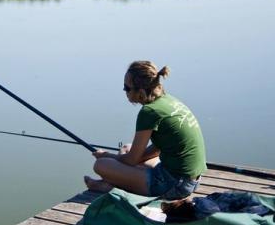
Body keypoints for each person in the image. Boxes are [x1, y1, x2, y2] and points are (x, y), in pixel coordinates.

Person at [84, 60, 206, 201]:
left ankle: (111, 187)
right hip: (191, 180)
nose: (124, 91)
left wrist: (106, 155)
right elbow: (158, 148)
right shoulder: (169, 101)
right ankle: (119, 181)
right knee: (126, 148)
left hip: (174, 185)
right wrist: (125, 159)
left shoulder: (149, 112)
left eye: (127, 87)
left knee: (101, 165)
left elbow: (131, 160)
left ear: (140, 91)